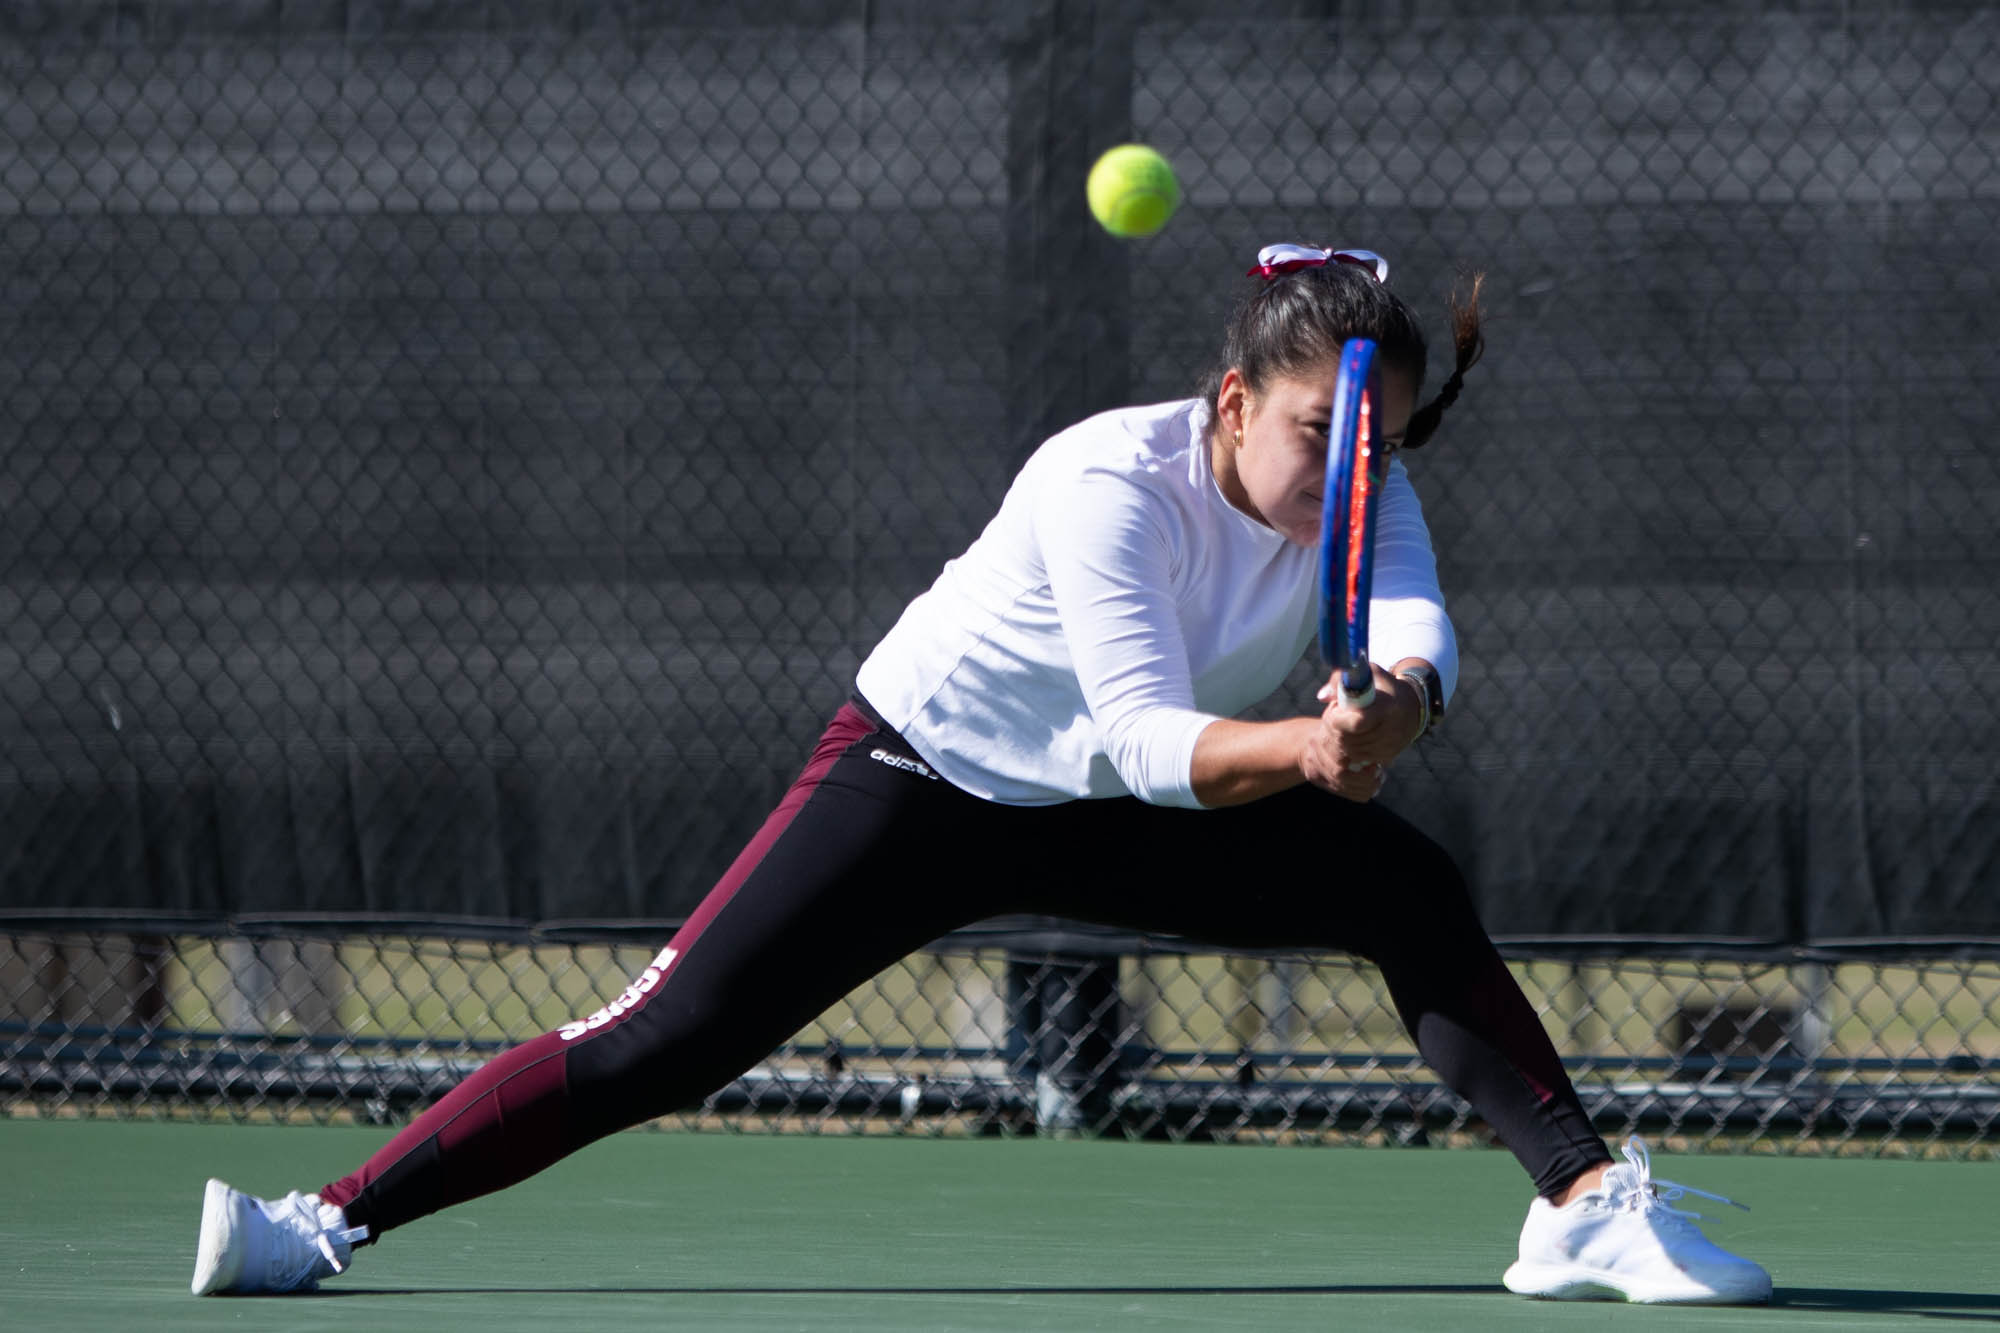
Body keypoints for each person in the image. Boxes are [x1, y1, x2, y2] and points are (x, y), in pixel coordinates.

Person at [190, 242, 1772, 1306]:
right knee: (668, 1039)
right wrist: (1308, 743)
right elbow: (1150, 739)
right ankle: (315, 1223)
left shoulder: (1362, 491)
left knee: (1404, 883)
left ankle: (1574, 1204)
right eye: (1316, 433)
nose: (1348, 470)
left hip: (1116, 808)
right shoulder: (1106, 482)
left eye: (1375, 443)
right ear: (1231, 406)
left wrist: (1391, 714)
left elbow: (1419, 647)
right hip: (926, 776)